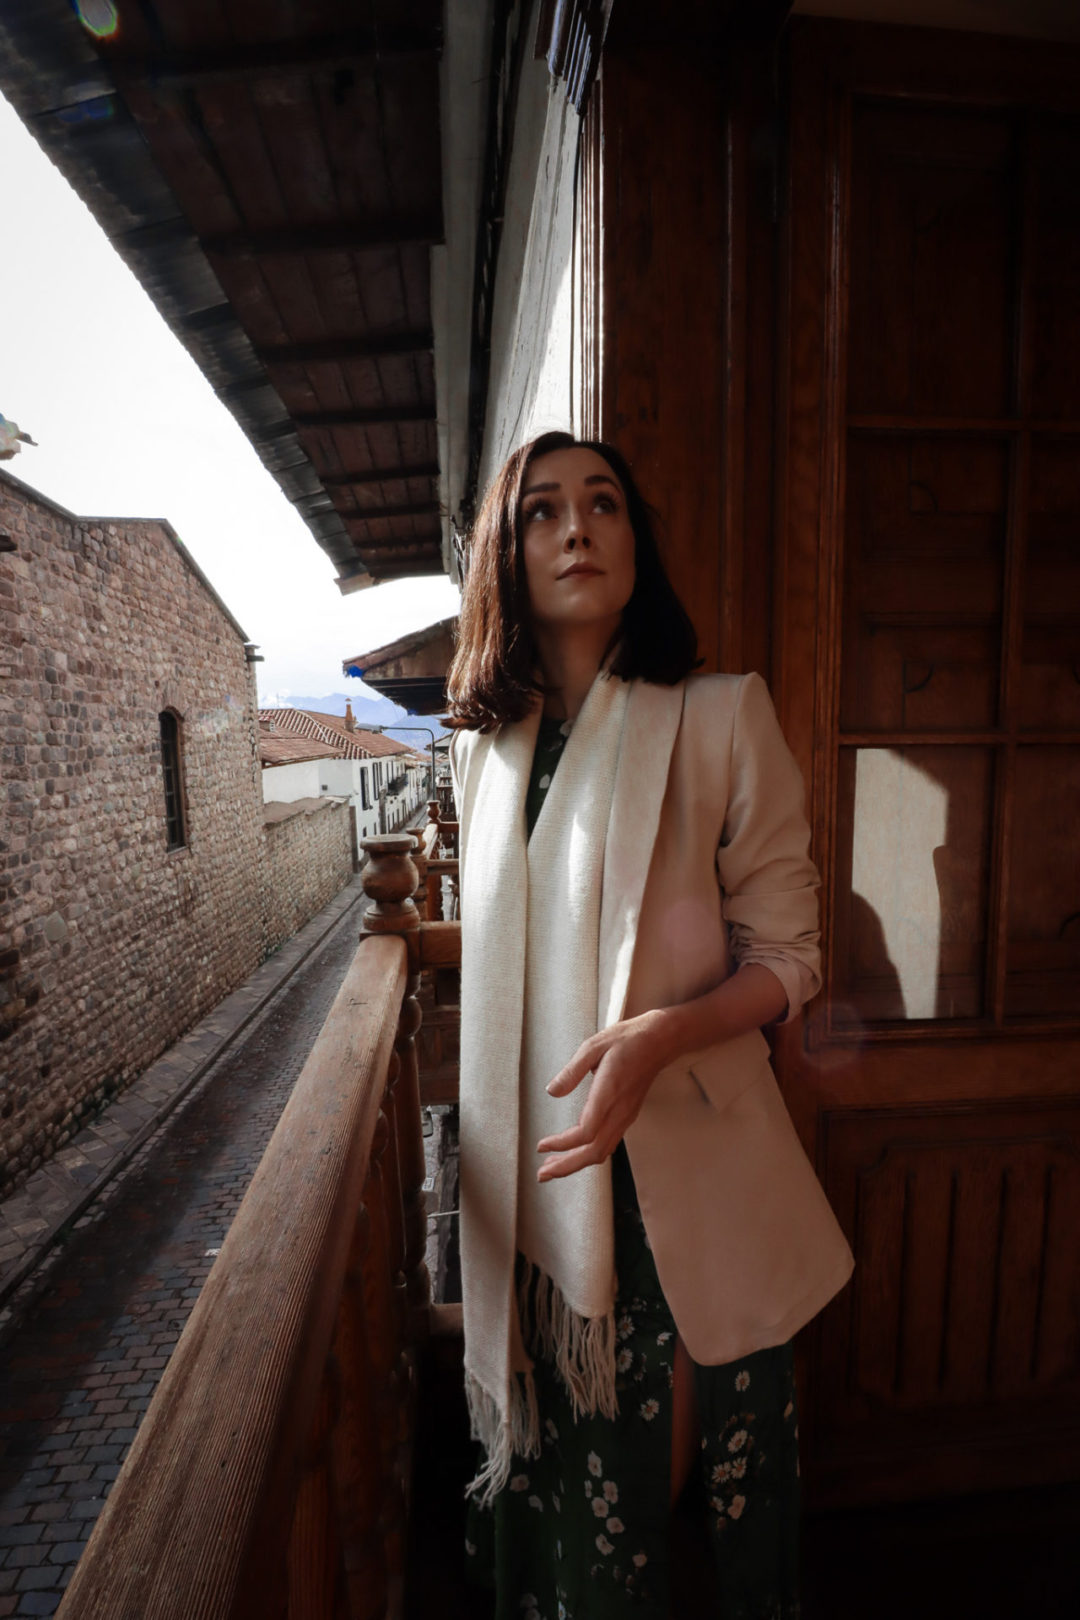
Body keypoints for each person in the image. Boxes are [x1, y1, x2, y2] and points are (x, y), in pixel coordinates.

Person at [446, 431, 853, 1619]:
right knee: (573, 1481)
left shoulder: (723, 716)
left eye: (605, 503)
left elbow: (792, 960)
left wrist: (657, 1037)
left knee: (668, 1495)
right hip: (540, 1161)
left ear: (636, 539)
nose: (578, 529)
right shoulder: (482, 754)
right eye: (542, 512)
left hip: (678, 1162)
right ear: (504, 558)